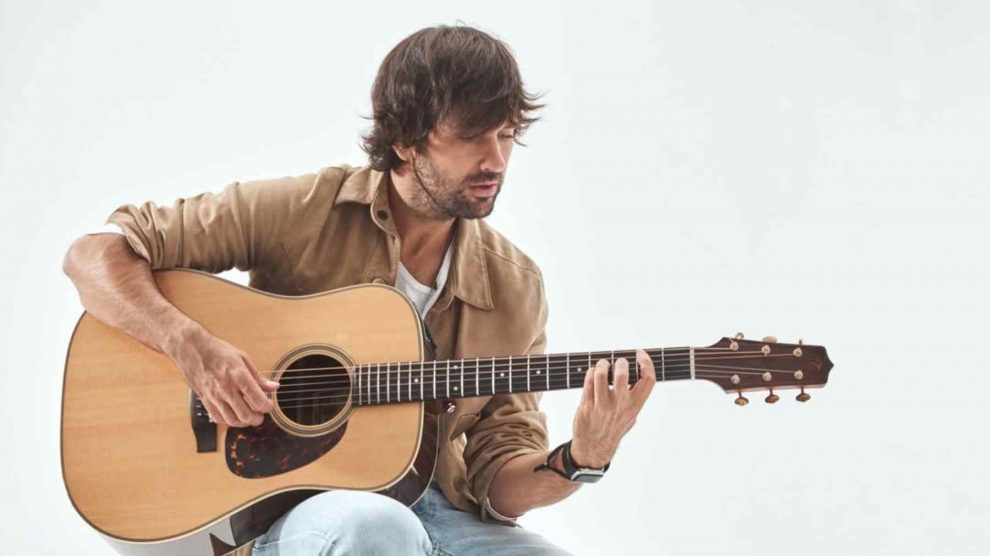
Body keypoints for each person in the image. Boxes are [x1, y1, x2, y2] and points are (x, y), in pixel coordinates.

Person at [63, 24, 656, 555]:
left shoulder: (515, 287)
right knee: (375, 528)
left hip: (437, 511)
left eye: (506, 135)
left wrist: (582, 458)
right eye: (472, 136)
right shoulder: (304, 210)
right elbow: (93, 255)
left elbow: (499, 481)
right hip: (281, 513)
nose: (496, 160)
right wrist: (190, 347)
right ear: (405, 141)